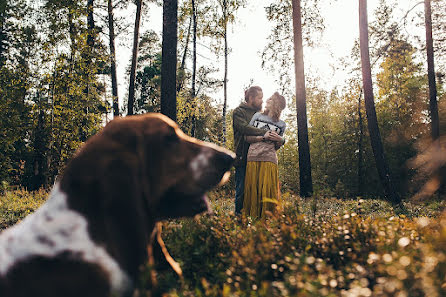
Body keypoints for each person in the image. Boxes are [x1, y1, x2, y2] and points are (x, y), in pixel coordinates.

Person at [232, 86, 279, 215]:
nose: (262, 101)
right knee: (242, 191)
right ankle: (239, 219)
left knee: (258, 190)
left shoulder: (261, 114)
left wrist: (280, 138)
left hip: (260, 158)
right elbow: (245, 128)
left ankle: (256, 221)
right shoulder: (239, 112)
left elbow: (275, 127)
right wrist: (266, 133)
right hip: (243, 156)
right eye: (259, 98)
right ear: (251, 98)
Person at [242, 92, 286, 219]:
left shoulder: (282, 124)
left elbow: (277, 146)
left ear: (277, 104)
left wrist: (280, 139)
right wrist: (263, 137)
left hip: (270, 159)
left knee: (268, 192)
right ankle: (252, 221)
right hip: (253, 157)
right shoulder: (257, 116)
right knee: (253, 192)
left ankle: (268, 221)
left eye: (271, 99)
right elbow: (247, 137)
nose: (267, 99)